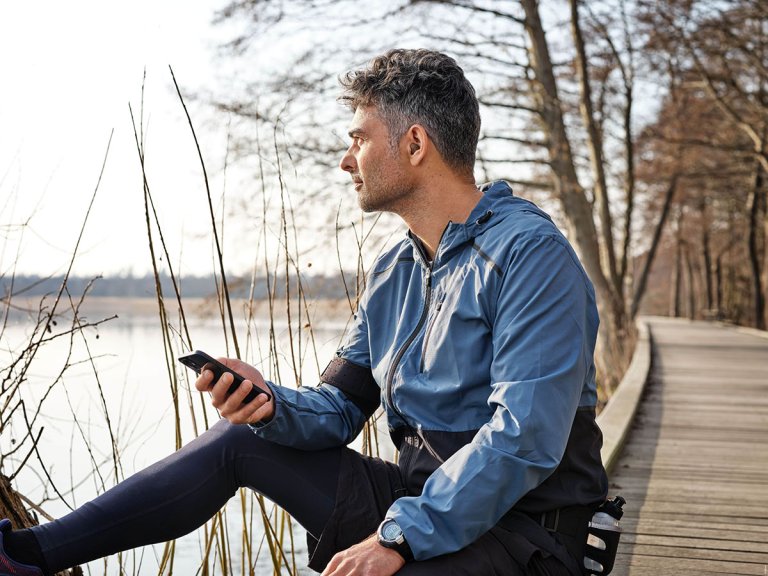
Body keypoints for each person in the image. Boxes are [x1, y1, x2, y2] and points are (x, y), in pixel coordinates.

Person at [0, 48, 608, 576]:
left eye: (359, 138)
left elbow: (524, 439)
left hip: (527, 536)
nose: (347, 160)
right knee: (239, 442)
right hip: (421, 503)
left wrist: (397, 537)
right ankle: (25, 556)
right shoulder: (395, 271)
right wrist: (271, 404)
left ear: (415, 143)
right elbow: (341, 406)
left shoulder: (530, 256)